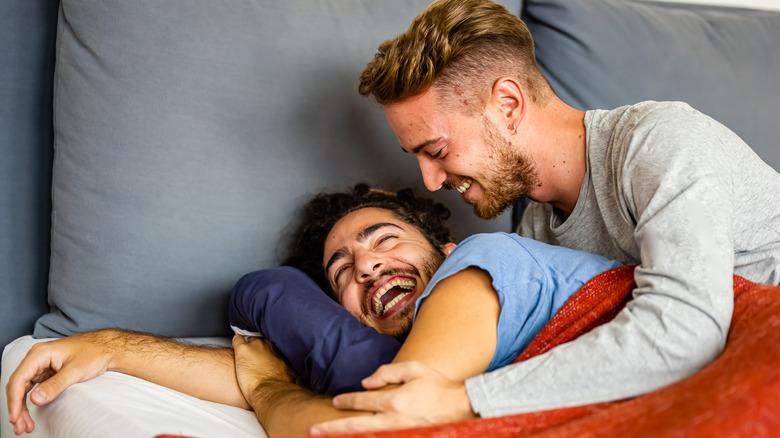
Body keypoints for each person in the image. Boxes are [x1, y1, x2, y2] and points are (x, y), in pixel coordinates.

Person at [308, 0, 780, 433]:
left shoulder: (659, 143)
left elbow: (683, 331)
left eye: (437, 151)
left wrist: (467, 400)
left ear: (508, 105)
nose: (430, 182)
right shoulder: (536, 236)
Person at [6, 184, 621, 437]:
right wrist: (112, 346)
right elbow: (257, 375)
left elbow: (388, 417)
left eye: (385, 239)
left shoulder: (486, 261)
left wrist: (274, 391)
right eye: (341, 271)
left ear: (446, 249)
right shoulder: (367, 352)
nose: (367, 267)